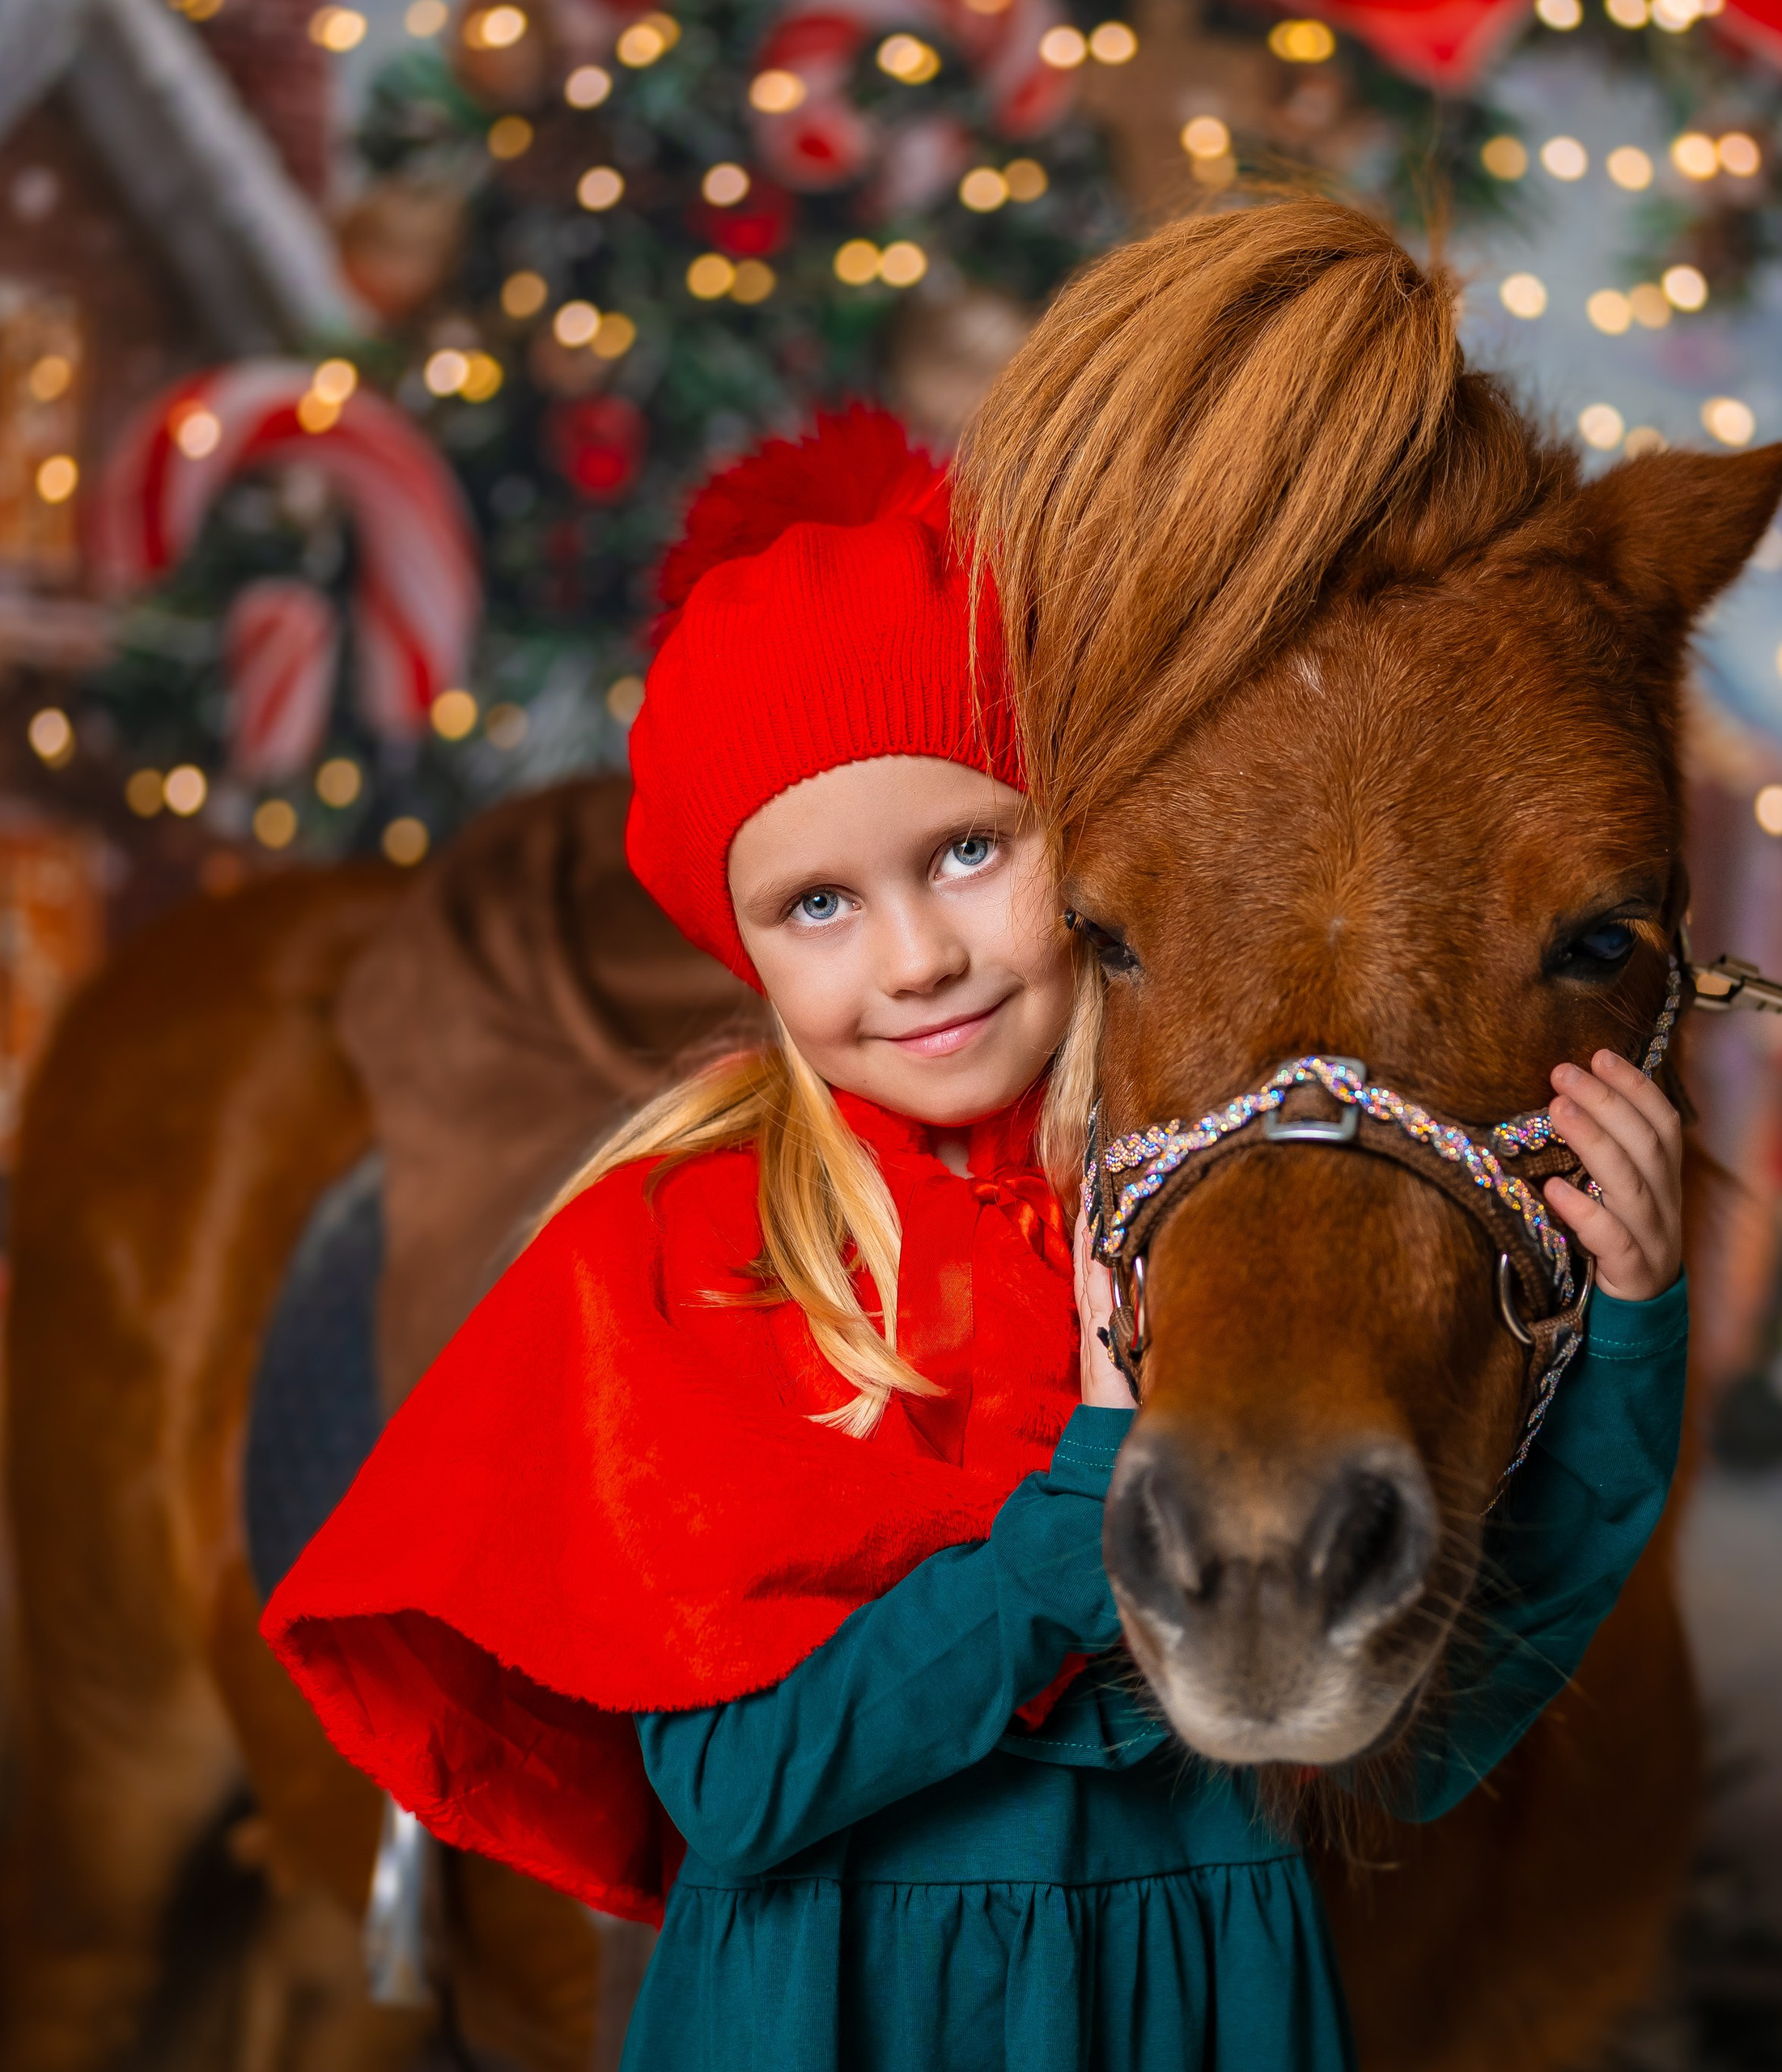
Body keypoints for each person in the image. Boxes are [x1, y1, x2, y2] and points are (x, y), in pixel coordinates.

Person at [265, 407, 1691, 2072]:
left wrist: (1636, 1317)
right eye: (819, 902)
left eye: (963, 850)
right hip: (832, 2007)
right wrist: (1078, 1497)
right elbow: (738, 1791)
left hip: (1195, 1996)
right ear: (743, 944)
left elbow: (1439, 1729)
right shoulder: (684, 1252)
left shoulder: (1200, 1220)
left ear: (1075, 845)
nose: (919, 954)